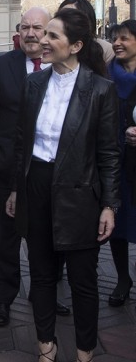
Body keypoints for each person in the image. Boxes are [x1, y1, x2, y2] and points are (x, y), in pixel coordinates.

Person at [6, 8, 119, 362]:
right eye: (44, 35)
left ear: (76, 45)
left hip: (80, 192)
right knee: (40, 273)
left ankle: (85, 351)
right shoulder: (33, 84)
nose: (42, 41)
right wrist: (15, 188)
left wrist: (109, 206)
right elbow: (22, 142)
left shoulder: (100, 90)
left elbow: (109, 154)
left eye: (53, 36)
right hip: (36, 186)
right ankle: (46, 346)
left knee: (84, 281)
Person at [0, 7, 65, 327]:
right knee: (3, 239)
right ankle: (2, 299)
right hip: (4, 170)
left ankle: (42, 294)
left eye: (38, 28)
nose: (31, 33)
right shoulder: (2, 65)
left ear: (49, 32)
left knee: (44, 237)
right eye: (25, 27)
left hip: (45, 171)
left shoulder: (60, 66)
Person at [106, 20, 136, 307]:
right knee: (117, 223)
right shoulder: (106, 77)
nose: (117, 43)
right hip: (115, 163)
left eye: (124, 38)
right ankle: (122, 278)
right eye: (115, 38)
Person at [58, 0, 114, 64]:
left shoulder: (105, 50)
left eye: (70, 16)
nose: (64, 21)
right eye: (61, 16)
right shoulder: (51, 45)